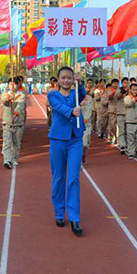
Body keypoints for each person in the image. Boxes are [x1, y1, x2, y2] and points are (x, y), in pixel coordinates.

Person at [47, 66, 85, 236]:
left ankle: (75, 218)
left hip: (75, 139)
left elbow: (82, 94)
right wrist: (71, 111)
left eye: (69, 78)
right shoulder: (52, 95)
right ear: (58, 79)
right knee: (59, 177)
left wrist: (80, 82)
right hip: (58, 140)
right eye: (63, 78)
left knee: (73, 177)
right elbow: (59, 108)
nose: (67, 81)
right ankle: (60, 213)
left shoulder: (77, 92)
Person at [0, 77, 26, 168]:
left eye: (15, 84)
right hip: (7, 123)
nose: (12, 86)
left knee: (16, 143)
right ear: (8, 85)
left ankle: (14, 159)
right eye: (11, 84)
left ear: (18, 85)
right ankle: (7, 160)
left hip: (18, 123)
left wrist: (16, 113)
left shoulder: (21, 95)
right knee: (7, 143)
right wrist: (8, 98)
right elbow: (3, 100)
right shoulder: (5, 94)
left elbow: (20, 105)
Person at [124, 83, 137, 160]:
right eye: (133, 90)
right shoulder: (127, 98)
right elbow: (128, 104)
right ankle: (131, 152)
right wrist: (134, 100)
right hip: (130, 120)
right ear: (130, 90)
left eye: (136, 90)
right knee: (130, 138)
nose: (135, 91)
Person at [81, 85, 94, 164]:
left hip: (86, 124)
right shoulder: (73, 97)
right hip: (75, 125)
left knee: (85, 144)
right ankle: (77, 161)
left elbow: (89, 110)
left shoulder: (89, 98)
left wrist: (85, 119)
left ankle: (83, 153)